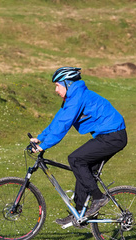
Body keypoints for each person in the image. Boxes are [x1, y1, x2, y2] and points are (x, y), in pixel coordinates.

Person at [30, 67, 128, 226]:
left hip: (113, 136)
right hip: (109, 136)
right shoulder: (73, 97)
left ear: (67, 83)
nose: (56, 90)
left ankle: (99, 198)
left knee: (75, 159)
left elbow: (64, 125)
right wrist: (40, 138)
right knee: (84, 169)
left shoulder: (78, 97)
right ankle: (78, 213)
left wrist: (45, 146)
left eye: (57, 85)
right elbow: (59, 120)